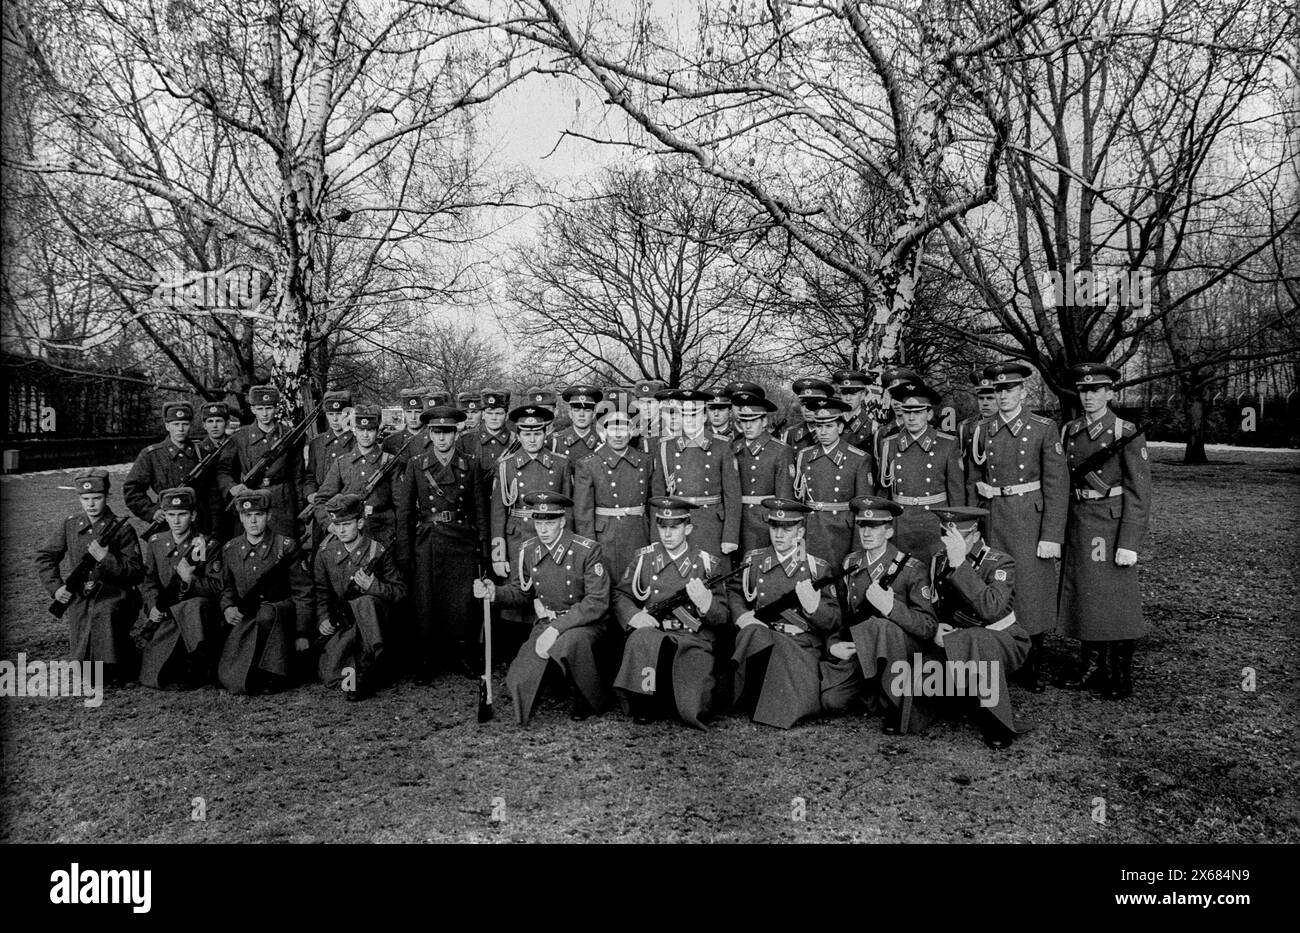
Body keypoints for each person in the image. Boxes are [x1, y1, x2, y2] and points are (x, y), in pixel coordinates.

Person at [965, 361, 1067, 692]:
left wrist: (1052, 535)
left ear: (1023, 391)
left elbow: (1056, 484)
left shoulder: (1042, 427)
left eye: (1010, 389)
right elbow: (974, 477)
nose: (1004, 395)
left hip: (1029, 518)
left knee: (1030, 592)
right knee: (997, 587)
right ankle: (1003, 659)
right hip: (994, 517)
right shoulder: (982, 429)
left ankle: (1031, 664)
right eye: (998, 389)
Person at [473, 492, 612, 724]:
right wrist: (494, 592)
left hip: (583, 624)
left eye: (549, 523)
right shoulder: (528, 549)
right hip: (547, 622)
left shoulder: (586, 550)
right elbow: (521, 593)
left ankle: (588, 696)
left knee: (571, 642)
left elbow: (596, 601)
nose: (543, 530)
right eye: (538, 523)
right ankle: (555, 680)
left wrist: (557, 628)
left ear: (562, 521)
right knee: (517, 680)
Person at [1058, 363, 1152, 700]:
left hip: (1111, 526)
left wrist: (1129, 541)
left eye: (1096, 390)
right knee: (1086, 592)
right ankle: (1092, 664)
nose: (1089, 396)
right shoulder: (1070, 431)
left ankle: (1119, 673)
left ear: (1110, 393)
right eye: (1083, 390)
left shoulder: (1124, 431)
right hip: (1080, 520)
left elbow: (1139, 493)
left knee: (1116, 598)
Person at [820, 497, 935, 732]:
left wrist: (891, 608)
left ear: (890, 531)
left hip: (901, 652)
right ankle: (876, 694)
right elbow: (843, 613)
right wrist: (833, 644)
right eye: (862, 525)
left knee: (882, 627)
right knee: (831, 700)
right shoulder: (851, 563)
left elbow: (928, 626)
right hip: (864, 648)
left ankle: (898, 705)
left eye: (874, 526)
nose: (867, 532)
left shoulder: (911, 568)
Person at [612, 497, 729, 728]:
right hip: (655, 634)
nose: (667, 534)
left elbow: (722, 617)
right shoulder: (644, 558)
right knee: (642, 639)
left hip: (693, 639)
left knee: (693, 708)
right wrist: (635, 616)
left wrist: (706, 603)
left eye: (674, 528)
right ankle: (645, 702)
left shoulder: (706, 564)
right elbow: (620, 595)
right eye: (662, 527)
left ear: (688, 528)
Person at [729, 498, 841, 729]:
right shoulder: (754, 560)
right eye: (774, 527)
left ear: (799, 533)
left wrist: (813, 608)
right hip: (763, 639)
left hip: (800, 645)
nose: (779, 535)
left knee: (793, 700)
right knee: (752, 634)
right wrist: (742, 616)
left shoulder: (816, 568)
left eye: (787, 529)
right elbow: (733, 592)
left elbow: (833, 620)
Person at [397, 405, 489, 681]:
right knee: (426, 601)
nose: (441, 438)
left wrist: (484, 547)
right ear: (429, 433)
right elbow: (405, 513)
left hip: (461, 539)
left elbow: (480, 511)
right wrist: (405, 551)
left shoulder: (470, 464)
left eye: (447, 432)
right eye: (436, 432)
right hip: (429, 540)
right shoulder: (416, 464)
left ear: (456, 432)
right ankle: (427, 658)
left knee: (462, 602)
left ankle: (464, 654)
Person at [929, 507, 1028, 749]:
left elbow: (990, 609)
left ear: (974, 534)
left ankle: (997, 721)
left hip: (1001, 640)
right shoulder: (938, 560)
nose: (950, 542)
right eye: (945, 535)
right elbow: (935, 605)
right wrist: (936, 628)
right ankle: (962, 697)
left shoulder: (1000, 562)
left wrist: (960, 564)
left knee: (977, 638)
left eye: (957, 537)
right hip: (956, 638)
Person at [35, 468, 143, 684]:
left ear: (106, 497)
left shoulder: (121, 529)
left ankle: (118, 666)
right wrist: (56, 588)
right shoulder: (71, 524)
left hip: (115, 594)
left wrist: (106, 558)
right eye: (85, 499)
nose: (91, 504)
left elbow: (136, 572)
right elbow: (45, 556)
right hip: (80, 595)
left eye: (96, 498)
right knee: (84, 667)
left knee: (104, 615)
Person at [217, 489, 312, 695]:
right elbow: (227, 587)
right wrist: (227, 607)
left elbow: (303, 592)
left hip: (280, 616)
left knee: (267, 614)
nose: (253, 521)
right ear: (241, 517)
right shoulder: (231, 549)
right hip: (246, 614)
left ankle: (274, 671)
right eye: (248, 516)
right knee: (231, 675)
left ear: (268, 516)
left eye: (259, 515)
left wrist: (302, 632)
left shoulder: (285, 547)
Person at [313, 493, 406, 700]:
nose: (342, 530)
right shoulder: (325, 553)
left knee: (365, 602)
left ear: (361, 522)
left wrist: (372, 585)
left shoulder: (378, 551)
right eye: (337, 525)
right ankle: (363, 672)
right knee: (331, 674)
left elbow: (400, 593)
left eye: (347, 524)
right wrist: (323, 619)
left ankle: (369, 670)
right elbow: (321, 592)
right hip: (345, 623)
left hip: (376, 625)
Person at [138, 486, 224, 689]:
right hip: (166, 615)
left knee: (196, 606)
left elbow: (217, 587)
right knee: (154, 674)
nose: (176, 521)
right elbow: (148, 581)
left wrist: (190, 581)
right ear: (164, 516)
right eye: (171, 515)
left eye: (182, 514)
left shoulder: (206, 545)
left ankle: (201, 664)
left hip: (197, 620)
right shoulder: (156, 543)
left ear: (193, 515)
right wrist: (152, 607)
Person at [490, 404, 573, 592]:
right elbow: (497, 515)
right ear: (518, 436)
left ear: (546, 434)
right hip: (517, 538)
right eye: (527, 434)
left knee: (551, 590)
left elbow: (568, 511)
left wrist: (568, 548)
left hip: (551, 536)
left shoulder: (561, 464)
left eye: (537, 433)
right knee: (518, 592)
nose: (532, 439)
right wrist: (498, 556)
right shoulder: (506, 466)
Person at [875, 381, 963, 559]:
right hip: (901, 523)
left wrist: (956, 529)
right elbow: (883, 494)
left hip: (934, 522)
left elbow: (956, 493)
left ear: (929, 414)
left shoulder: (947, 444)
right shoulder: (889, 444)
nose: (911, 418)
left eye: (918, 412)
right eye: (907, 412)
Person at [652, 389, 741, 560]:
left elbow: (732, 496)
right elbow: (658, 497)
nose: (689, 420)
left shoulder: (721, 446)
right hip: (676, 524)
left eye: (694, 414)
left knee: (712, 577)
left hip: (711, 525)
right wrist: (656, 537)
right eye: (684, 415)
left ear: (704, 416)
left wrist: (730, 537)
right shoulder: (665, 447)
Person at [572, 406, 653, 582]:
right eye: (613, 428)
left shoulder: (645, 461)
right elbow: (583, 514)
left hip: (640, 534)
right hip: (606, 539)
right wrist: (589, 549)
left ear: (631, 431)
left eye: (623, 428)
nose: (618, 435)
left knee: (640, 583)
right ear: (603, 432)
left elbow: (651, 504)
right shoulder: (589, 464)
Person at [793, 396, 875, 568]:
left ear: (840, 427)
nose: (822, 432)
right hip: (810, 531)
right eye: (818, 426)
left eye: (829, 426)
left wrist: (858, 549)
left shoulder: (858, 459)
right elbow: (798, 503)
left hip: (840, 532)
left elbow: (863, 510)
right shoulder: (805, 456)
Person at [216, 385, 306, 540]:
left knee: (285, 547)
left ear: (277, 408)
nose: (264, 413)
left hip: (283, 502)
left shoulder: (289, 436)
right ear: (252, 409)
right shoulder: (240, 438)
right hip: (250, 500)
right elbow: (223, 471)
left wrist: (299, 509)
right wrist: (232, 488)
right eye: (260, 408)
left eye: (269, 408)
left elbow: (297, 475)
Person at [314, 406, 400, 551]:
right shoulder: (342, 463)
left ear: (378, 431)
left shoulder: (389, 462)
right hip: (350, 538)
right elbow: (321, 499)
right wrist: (330, 525)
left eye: (370, 430)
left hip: (382, 535)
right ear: (354, 430)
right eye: (361, 430)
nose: (365, 435)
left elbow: (401, 505)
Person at [124, 401, 216, 535]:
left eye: (185, 424)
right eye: (175, 424)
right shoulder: (151, 454)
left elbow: (213, 494)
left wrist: (213, 526)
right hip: (166, 525)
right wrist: (151, 512)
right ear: (167, 426)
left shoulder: (202, 453)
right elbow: (132, 490)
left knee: (199, 556)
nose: (180, 429)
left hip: (199, 523)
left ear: (190, 425)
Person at [731, 392, 795, 556]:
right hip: (735, 521)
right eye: (743, 421)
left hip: (764, 523)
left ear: (764, 421)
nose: (747, 426)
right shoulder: (733, 448)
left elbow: (784, 496)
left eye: (752, 420)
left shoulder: (780, 450)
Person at [302, 389, 355, 524]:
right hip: (322, 509)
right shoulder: (317, 443)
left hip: (348, 509)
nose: (335, 419)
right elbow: (310, 476)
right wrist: (310, 494)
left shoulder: (356, 442)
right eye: (331, 414)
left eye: (339, 414)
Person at [550, 385, 603, 462]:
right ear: (570, 413)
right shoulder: (556, 441)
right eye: (577, 410)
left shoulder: (602, 441)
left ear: (593, 414)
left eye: (587, 410)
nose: (581, 414)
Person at [956, 371, 998, 466]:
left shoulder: (1008, 424)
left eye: (990, 398)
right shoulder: (965, 427)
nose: (985, 403)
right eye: (981, 398)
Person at [781, 378, 833, 450]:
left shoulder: (834, 433)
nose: (806, 410)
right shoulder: (791, 434)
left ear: (823, 405)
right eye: (803, 404)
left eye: (812, 405)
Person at [383, 388, 432, 463]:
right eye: (409, 412)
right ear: (403, 412)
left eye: (418, 412)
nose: (413, 417)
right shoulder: (391, 441)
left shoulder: (433, 439)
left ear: (424, 413)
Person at [831, 369, 876, 450]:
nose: (848, 398)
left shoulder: (873, 428)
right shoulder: (832, 423)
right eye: (844, 393)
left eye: (853, 394)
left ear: (862, 395)